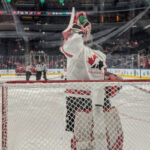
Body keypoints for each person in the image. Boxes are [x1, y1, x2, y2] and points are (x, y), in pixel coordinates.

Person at [60, 8, 123, 150]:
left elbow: (101, 71)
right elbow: (71, 45)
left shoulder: (92, 51)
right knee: (86, 137)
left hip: (93, 97)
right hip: (80, 98)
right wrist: (79, 29)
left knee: (102, 134)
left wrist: (112, 78)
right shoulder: (77, 48)